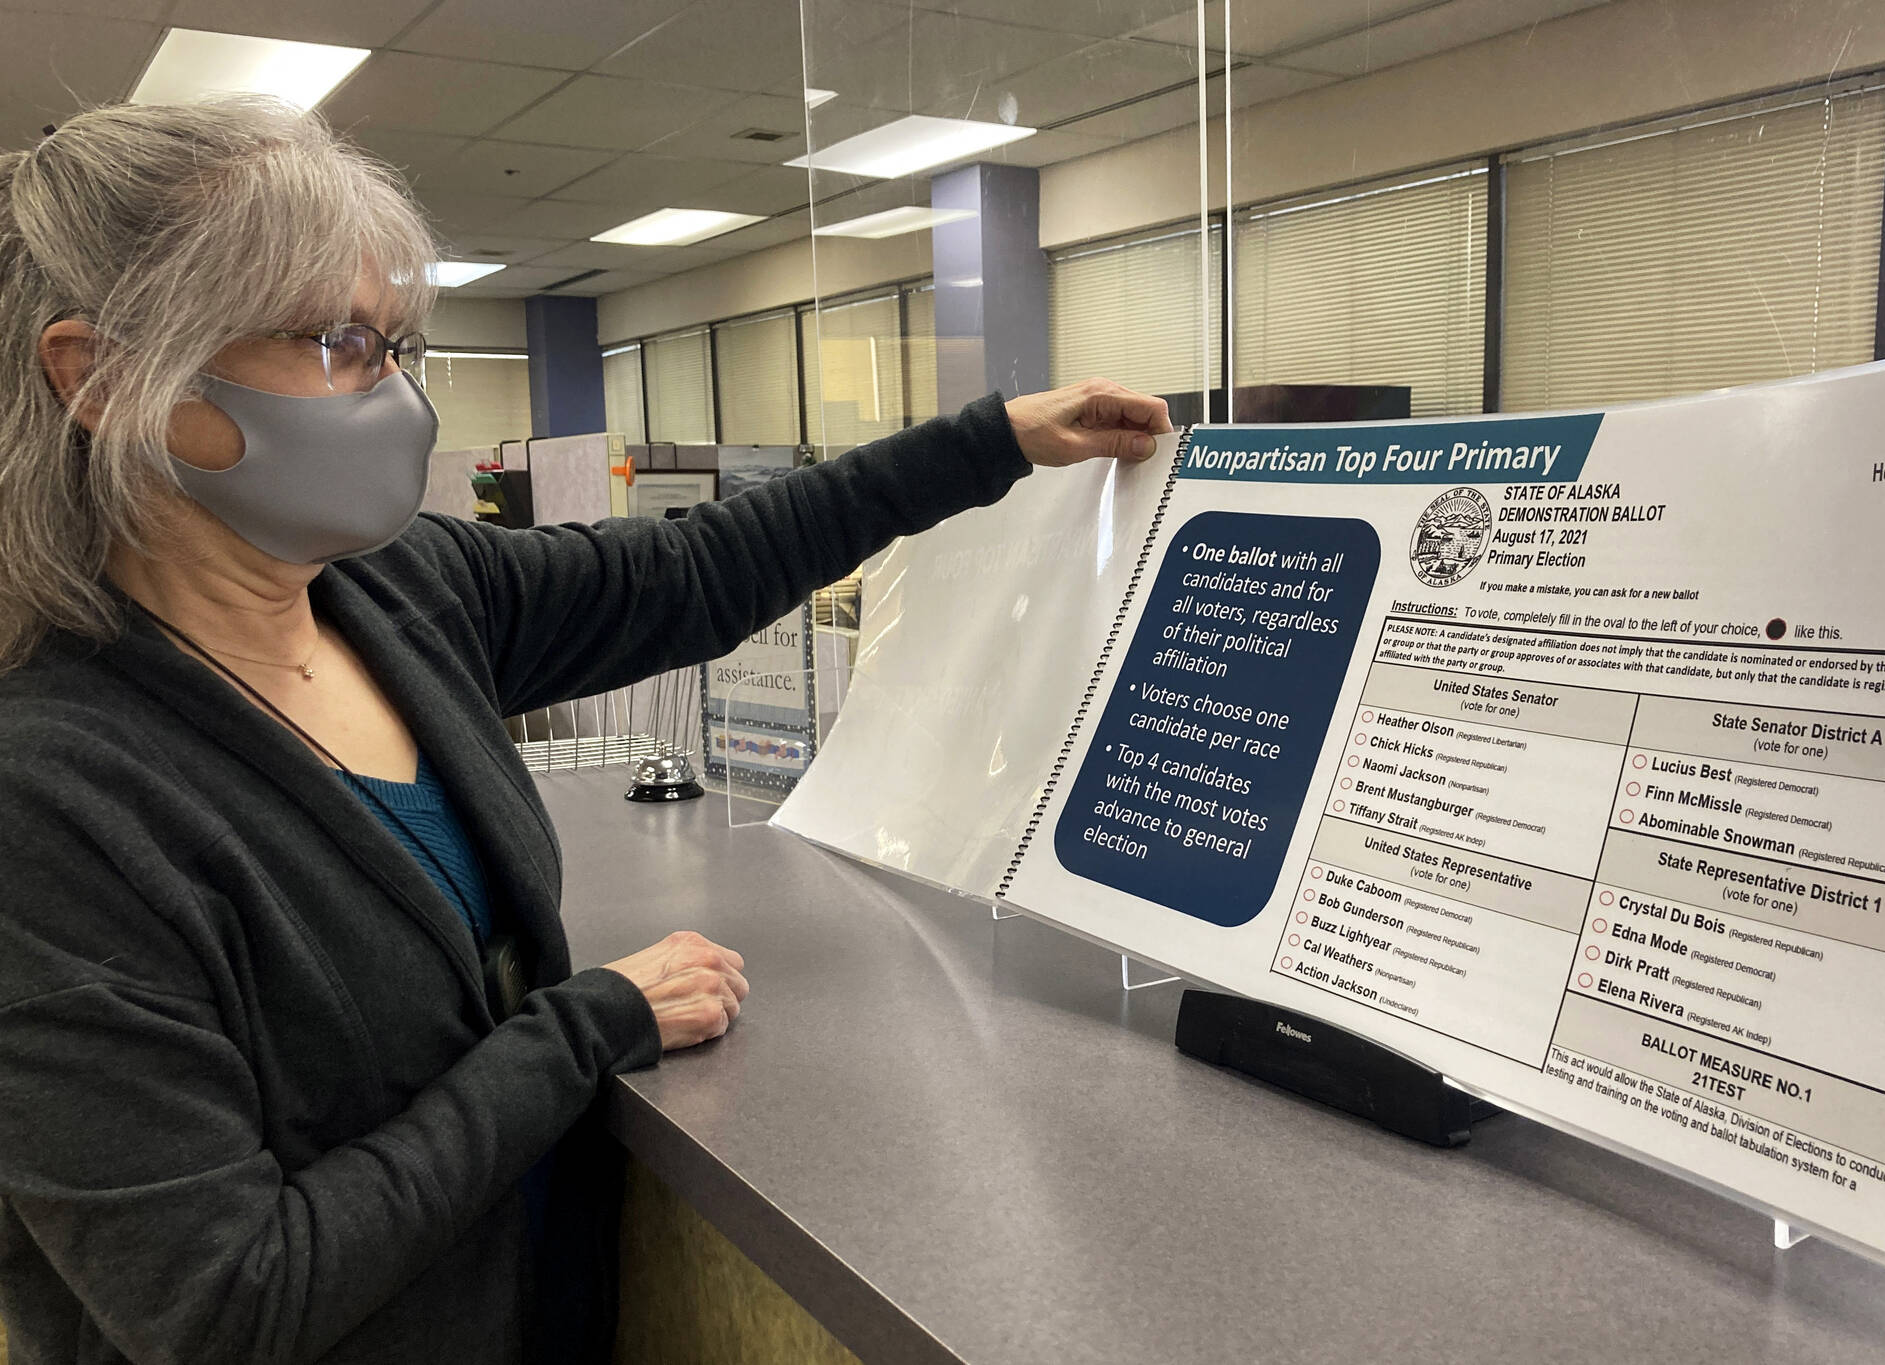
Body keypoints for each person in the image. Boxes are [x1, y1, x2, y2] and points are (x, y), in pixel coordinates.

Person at [0, 98, 1169, 1364]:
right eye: (339, 344)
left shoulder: (398, 594)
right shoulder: (49, 803)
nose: (393, 398)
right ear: (105, 378)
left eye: (400, 347)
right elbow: (227, 1301)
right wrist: (582, 1026)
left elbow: (691, 573)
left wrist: (984, 445)